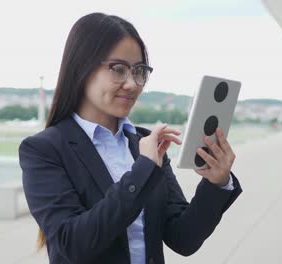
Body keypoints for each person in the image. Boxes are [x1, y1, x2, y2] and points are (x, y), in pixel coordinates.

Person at [18, 13, 242, 264]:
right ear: (82, 68)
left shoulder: (145, 143)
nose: (133, 84)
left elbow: (183, 238)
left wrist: (217, 183)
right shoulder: (44, 149)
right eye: (119, 69)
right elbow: (71, 244)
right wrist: (142, 169)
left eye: (139, 71)